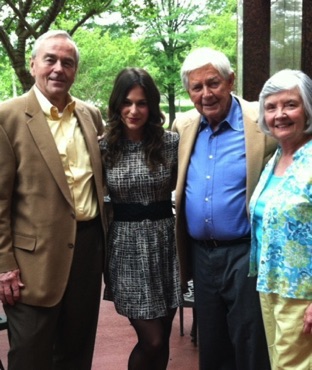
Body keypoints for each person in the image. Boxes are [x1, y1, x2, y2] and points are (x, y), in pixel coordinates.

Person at [0, 30, 106, 370]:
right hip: (32, 262)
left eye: (68, 62)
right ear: (33, 65)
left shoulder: (90, 116)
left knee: (76, 355)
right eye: (50, 60)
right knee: (29, 357)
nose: (59, 68)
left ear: (75, 70)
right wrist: (3, 266)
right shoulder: (8, 117)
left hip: (88, 252)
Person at [172, 47, 277, 370]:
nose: (206, 94)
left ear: (231, 81)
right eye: (196, 87)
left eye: (213, 83)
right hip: (201, 255)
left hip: (245, 253)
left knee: (249, 341)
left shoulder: (262, 125)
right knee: (212, 344)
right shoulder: (184, 126)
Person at [100, 67, 182, 370]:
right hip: (126, 247)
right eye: (127, 102)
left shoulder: (170, 143)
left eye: (142, 103)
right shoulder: (104, 147)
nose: (134, 110)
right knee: (153, 340)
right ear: (117, 104)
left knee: (163, 335)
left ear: (152, 105)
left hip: (165, 245)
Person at [249, 69, 312, 370]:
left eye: (290, 104)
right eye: (271, 107)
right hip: (271, 286)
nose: (280, 114)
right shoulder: (274, 159)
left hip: (302, 293)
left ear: (308, 108)